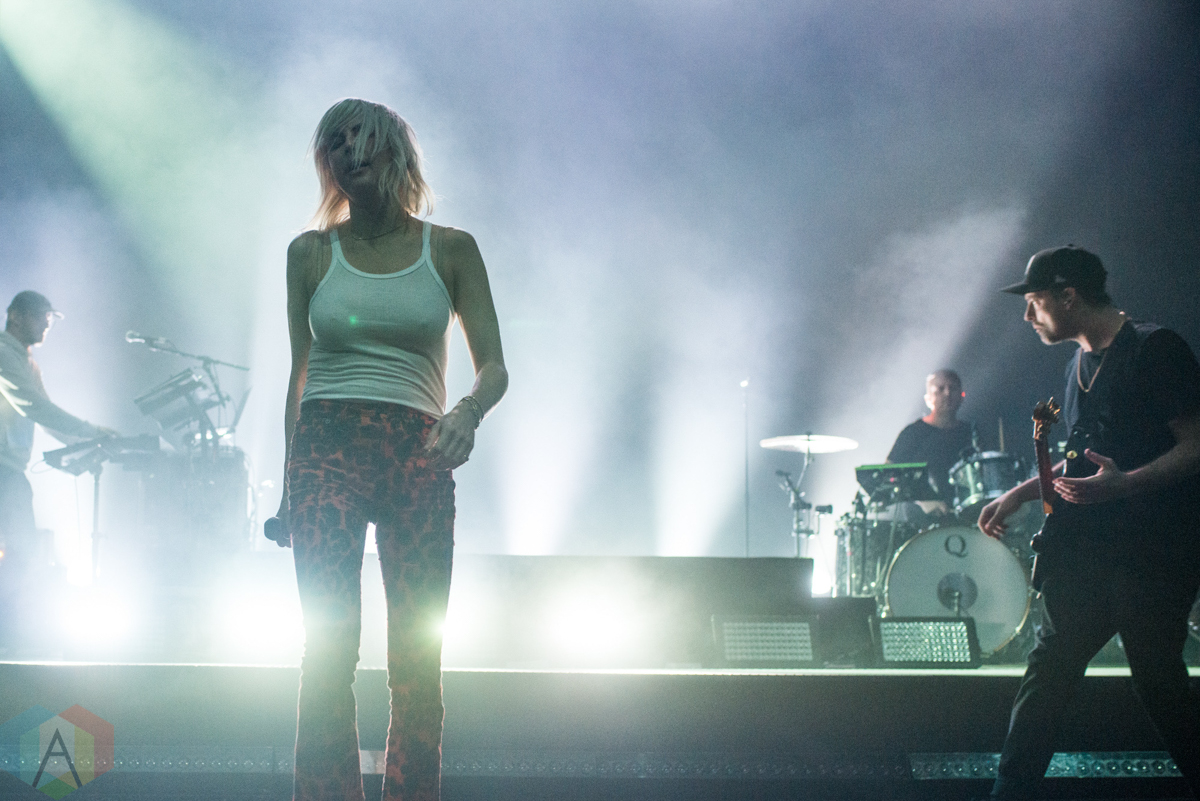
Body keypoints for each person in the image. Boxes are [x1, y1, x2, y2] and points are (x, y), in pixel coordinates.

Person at [271, 99, 507, 801]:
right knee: (328, 649)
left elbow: (494, 366)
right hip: (326, 446)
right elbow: (299, 375)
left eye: (361, 139)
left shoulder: (452, 249)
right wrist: (288, 484)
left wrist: (467, 412)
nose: (349, 153)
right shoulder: (310, 253)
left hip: (417, 450)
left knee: (417, 658)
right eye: (335, 144)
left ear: (394, 151)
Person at [978, 245, 1200, 800]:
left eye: (1034, 302)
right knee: (1049, 670)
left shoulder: (1155, 348)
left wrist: (1127, 484)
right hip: (1085, 553)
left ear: (1069, 296)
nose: (1027, 316)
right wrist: (1021, 492)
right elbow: (1082, 459)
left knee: (1158, 680)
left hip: (1153, 553)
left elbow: (1196, 444)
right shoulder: (1076, 363)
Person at [0, 291, 113, 648]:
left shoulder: (28, 363)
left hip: (9, 470)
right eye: (40, 316)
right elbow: (32, 406)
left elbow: (45, 415)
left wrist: (86, 442)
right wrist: (90, 431)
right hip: (3, 471)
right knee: (19, 549)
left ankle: (8, 632)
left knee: (20, 550)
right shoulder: (3, 353)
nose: (46, 324)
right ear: (15, 316)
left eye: (49, 318)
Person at [887, 368, 973, 515]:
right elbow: (888, 476)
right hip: (922, 521)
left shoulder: (971, 432)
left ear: (962, 396)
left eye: (952, 388)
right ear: (928, 399)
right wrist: (921, 502)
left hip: (967, 516)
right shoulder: (912, 433)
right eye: (940, 389)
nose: (947, 393)